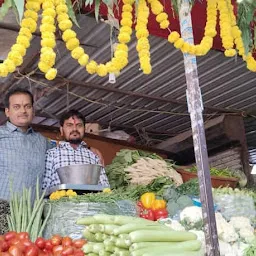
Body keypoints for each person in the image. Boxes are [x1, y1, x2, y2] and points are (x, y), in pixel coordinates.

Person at [0, 88, 50, 200]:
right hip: (3, 211)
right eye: (17, 107)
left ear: (33, 111)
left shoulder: (42, 141)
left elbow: (60, 150)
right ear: (7, 112)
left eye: (27, 106)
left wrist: (88, 147)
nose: (23, 111)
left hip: (32, 214)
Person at [42, 110, 109, 190]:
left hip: (89, 202)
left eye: (79, 125)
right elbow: (44, 189)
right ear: (61, 130)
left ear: (84, 129)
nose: (74, 129)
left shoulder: (94, 156)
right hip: (60, 202)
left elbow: (105, 188)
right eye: (69, 125)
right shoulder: (51, 155)